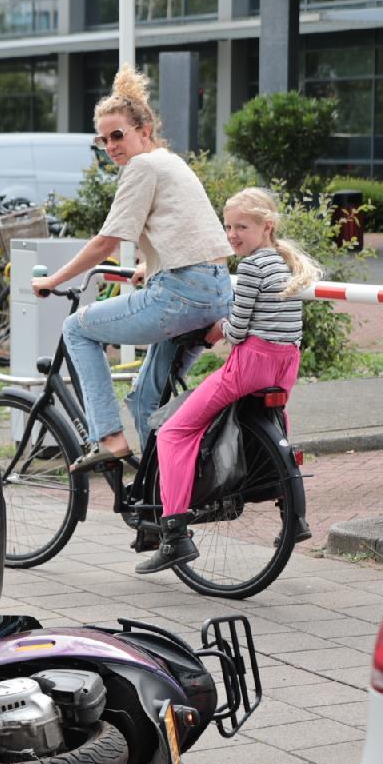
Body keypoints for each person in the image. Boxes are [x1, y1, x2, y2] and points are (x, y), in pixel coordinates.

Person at [31, 66, 234, 472]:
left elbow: (107, 241)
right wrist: (148, 264)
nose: (110, 145)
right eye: (102, 139)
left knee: (76, 328)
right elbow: (183, 224)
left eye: (117, 135)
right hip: (216, 293)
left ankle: (107, 436)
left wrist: (53, 280)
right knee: (145, 397)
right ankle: (164, 495)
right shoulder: (168, 162)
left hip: (181, 295)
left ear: (143, 129)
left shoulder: (140, 167)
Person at [138, 188, 312, 574]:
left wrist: (215, 330)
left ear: (266, 227)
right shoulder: (285, 261)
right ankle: (293, 513)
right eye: (228, 226)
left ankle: (174, 533)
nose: (232, 234)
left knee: (174, 432)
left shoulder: (252, 266)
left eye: (241, 227)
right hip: (285, 364)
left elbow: (237, 330)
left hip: (251, 363)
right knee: (272, 423)